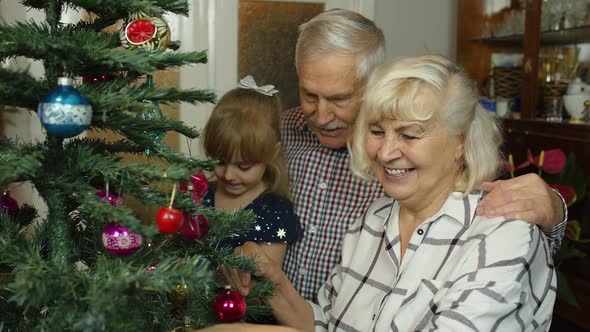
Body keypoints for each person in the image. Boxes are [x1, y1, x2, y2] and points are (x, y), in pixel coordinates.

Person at [229, 55, 556, 331]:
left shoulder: (501, 231)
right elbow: (328, 323)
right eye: (375, 131)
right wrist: (272, 283)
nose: (385, 153)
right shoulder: (373, 219)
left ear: (460, 142)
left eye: (409, 135)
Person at [281, 8, 566, 302]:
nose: (323, 115)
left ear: (374, 86)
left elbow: (488, 224)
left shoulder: (420, 154)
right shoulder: (284, 130)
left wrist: (554, 211)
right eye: (310, 96)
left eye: (339, 99)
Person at [201, 75, 301, 264]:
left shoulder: (274, 213)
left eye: (243, 166)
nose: (229, 175)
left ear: (272, 153)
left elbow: (264, 284)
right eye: (220, 162)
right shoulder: (200, 195)